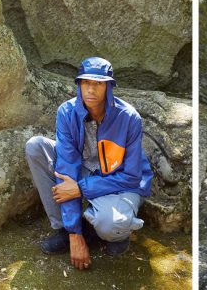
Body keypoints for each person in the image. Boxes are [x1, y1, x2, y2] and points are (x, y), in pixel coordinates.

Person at [25, 57, 153, 270]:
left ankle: (111, 234)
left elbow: (131, 176)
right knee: (35, 146)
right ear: (79, 84)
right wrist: (74, 234)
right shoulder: (67, 112)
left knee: (112, 225)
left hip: (120, 181)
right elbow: (66, 167)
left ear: (108, 87)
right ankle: (68, 228)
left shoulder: (129, 117)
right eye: (86, 82)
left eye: (98, 84)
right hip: (84, 170)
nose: (90, 90)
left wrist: (81, 188)